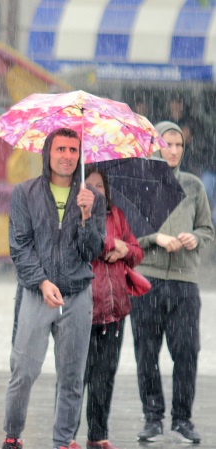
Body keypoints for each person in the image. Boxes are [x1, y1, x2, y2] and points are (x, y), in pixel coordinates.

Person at [2, 127, 106, 449]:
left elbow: (92, 252)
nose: (67, 156)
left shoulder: (93, 198)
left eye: (73, 150)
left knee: (72, 377)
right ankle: (12, 434)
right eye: (60, 149)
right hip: (37, 293)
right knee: (23, 371)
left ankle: (63, 441)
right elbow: (19, 246)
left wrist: (87, 217)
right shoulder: (25, 192)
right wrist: (42, 281)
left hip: (77, 294)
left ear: (80, 155)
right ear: (48, 153)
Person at [130, 121, 214, 444]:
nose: (174, 151)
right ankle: (153, 418)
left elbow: (208, 229)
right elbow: (129, 235)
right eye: (168, 144)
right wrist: (155, 238)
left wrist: (194, 237)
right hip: (147, 279)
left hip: (184, 283)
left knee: (187, 351)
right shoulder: (141, 184)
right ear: (156, 145)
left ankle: (182, 418)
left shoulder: (194, 186)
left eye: (179, 145)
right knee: (146, 352)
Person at [67, 167, 143, 449]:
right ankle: (68, 434)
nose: (96, 189)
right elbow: (85, 247)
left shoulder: (117, 215)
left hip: (114, 310)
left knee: (104, 376)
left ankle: (97, 434)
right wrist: (112, 243)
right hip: (84, 308)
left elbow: (136, 251)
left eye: (100, 185)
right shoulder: (75, 214)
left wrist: (125, 250)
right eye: (90, 184)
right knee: (77, 375)